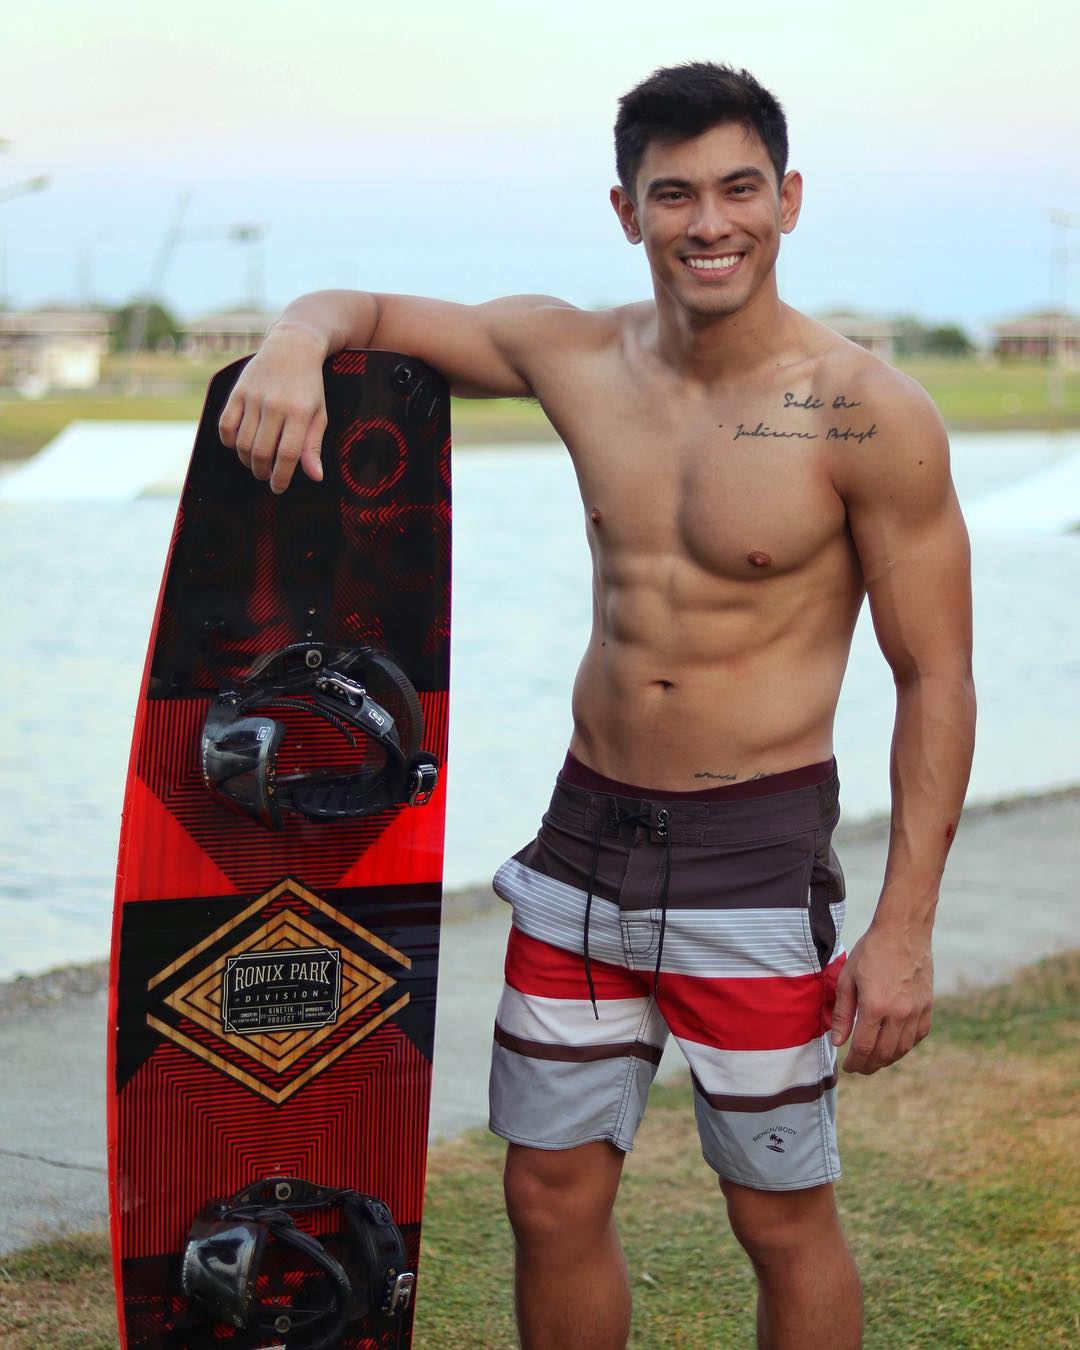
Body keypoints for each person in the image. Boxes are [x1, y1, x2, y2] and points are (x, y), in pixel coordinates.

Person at [219, 60, 975, 1350]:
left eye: (739, 189)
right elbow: (370, 308)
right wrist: (295, 341)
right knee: (548, 1198)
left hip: (752, 856)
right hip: (581, 845)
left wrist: (903, 929)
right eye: (673, 194)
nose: (709, 223)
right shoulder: (576, 355)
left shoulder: (863, 412)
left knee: (779, 1216)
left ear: (789, 200)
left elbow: (937, 679)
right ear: (628, 212)